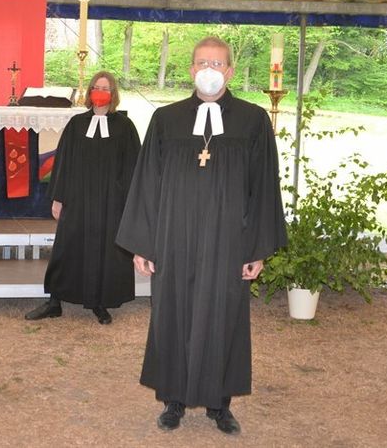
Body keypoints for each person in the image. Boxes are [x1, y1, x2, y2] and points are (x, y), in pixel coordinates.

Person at [115, 36, 286, 434]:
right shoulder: (166, 120)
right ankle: (173, 398)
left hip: (229, 241)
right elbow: (146, 183)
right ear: (191, 69)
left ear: (230, 71)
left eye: (217, 63)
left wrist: (257, 247)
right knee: (172, 313)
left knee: (223, 316)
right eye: (201, 63)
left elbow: (264, 188)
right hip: (174, 238)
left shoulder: (253, 120)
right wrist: (144, 243)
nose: (209, 70)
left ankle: (219, 402)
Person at [25, 71, 140, 324]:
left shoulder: (125, 127)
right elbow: (63, 163)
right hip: (77, 199)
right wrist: (58, 197)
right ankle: (55, 301)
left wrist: (127, 202)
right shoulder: (76, 124)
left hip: (111, 202)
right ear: (90, 92)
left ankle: (99, 302)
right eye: (97, 87)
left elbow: (133, 167)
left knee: (106, 251)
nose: (101, 92)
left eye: (106, 88)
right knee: (67, 248)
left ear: (114, 94)